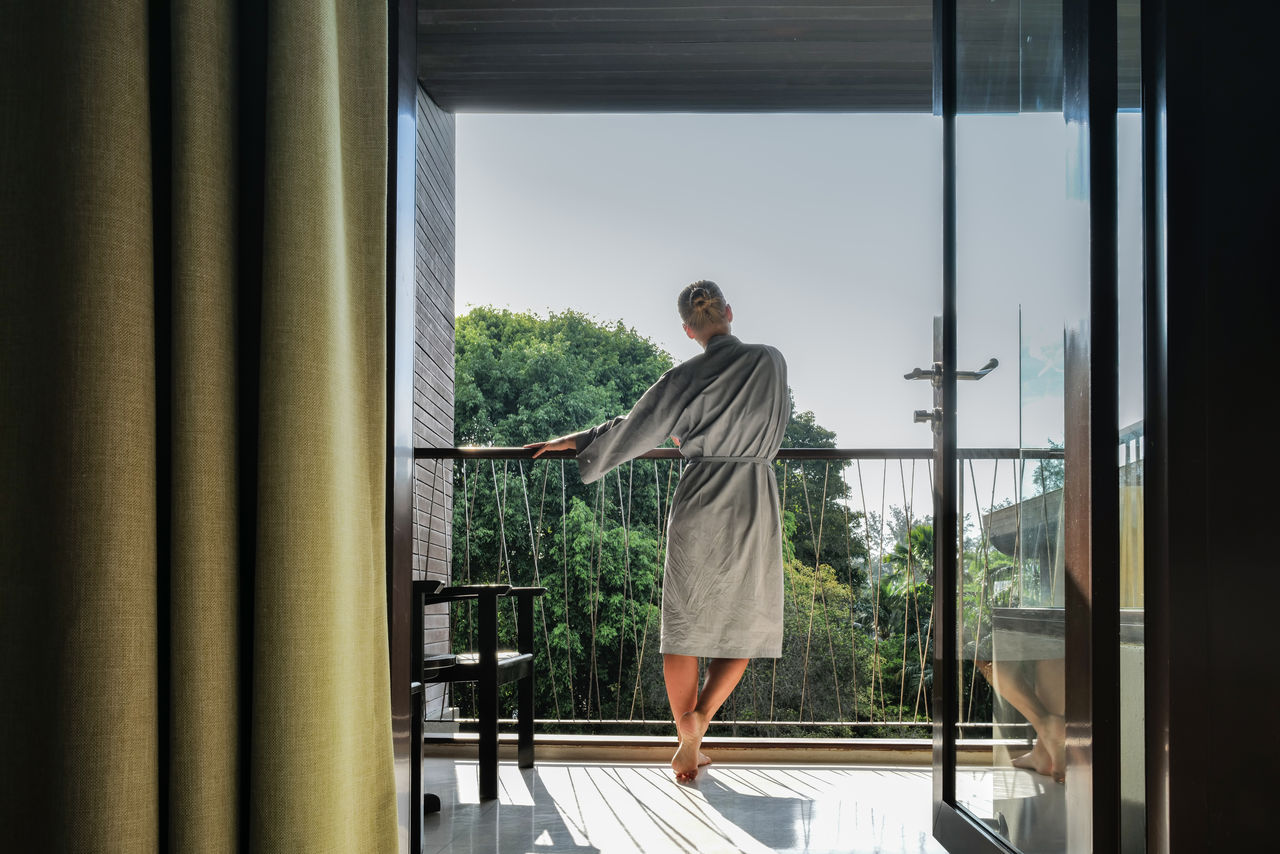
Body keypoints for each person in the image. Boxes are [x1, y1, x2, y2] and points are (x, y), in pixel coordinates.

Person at [526, 281, 789, 782]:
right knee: (744, 622)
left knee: (684, 626)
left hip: (700, 499)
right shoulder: (771, 360)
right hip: (755, 497)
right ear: (729, 313)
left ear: (688, 329)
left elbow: (640, 427)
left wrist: (582, 439)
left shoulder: (683, 376)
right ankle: (702, 719)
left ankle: (682, 732)